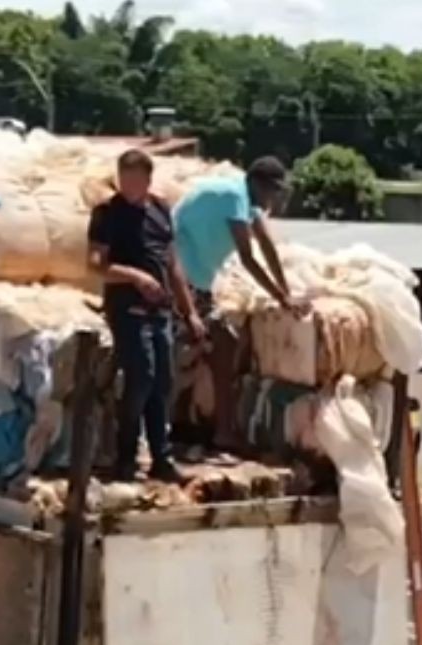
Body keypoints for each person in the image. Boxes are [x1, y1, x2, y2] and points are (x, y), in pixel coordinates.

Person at [87, 149, 199, 482]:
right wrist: (135, 277)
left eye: (135, 180)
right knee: (141, 378)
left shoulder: (161, 210)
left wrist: (189, 311)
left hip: (160, 310)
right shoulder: (107, 214)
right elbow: (95, 264)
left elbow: (172, 264)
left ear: (148, 180)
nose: (129, 186)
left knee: (163, 382)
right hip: (127, 309)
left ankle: (161, 458)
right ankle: (126, 456)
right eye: (124, 178)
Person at [171, 156, 309, 318]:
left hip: (200, 273)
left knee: (210, 329)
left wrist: (286, 291)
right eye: (271, 190)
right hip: (184, 269)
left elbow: (266, 244)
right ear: (256, 183)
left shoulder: (248, 196)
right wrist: (281, 298)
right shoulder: (235, 197)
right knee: (196, 329)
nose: (273, 197)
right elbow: (247, 258)